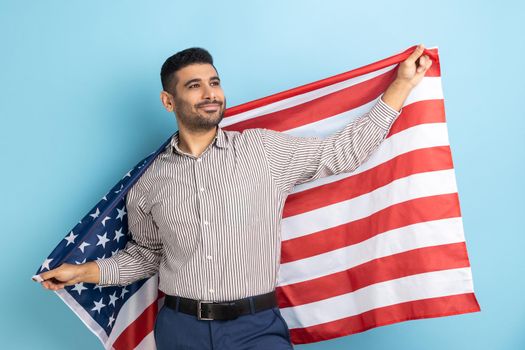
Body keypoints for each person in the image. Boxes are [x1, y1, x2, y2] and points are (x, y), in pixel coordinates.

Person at [38, 44, 432, 349]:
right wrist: (82, 272)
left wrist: (401, 84)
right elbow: (147, 255)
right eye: (195, 86)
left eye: (214, 82)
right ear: (168, 101)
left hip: (255, 327)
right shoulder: (150, 181)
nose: (211, 94)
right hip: (179, 329)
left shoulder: (262, 151)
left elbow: (343, 152)